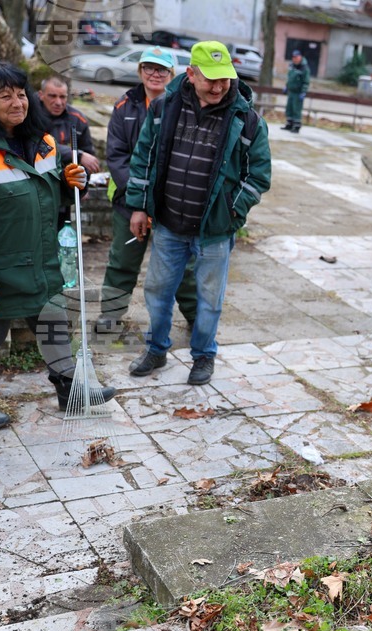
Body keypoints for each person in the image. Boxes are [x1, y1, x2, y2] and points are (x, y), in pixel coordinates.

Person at [0, 62, 115, 430]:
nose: (18, 103)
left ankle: (71, 389)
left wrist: (69, 184)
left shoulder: (42, 143)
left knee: (53, 323)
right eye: (5, 96)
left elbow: (44, 195)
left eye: (21, 94)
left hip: (39, 262)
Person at [126, 41, 271, 386]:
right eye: (211, 79)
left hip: (215, 232)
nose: (219, 86)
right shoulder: (164, 108)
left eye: (225, 79)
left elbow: (258, 176)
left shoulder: (248, 121)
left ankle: (204, 356)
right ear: (191, 74)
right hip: (169, 225)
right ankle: (156, 349)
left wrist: (231, 212)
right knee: (157, 291)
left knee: (210, 300)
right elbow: (144, 157)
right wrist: (139, 205)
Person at [95, 47, 197, 334]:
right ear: (140, 71)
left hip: (172, 202)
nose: (155, 74)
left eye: (162, 69)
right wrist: (139, 200)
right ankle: (111, 315)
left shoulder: (185, 106)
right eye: (149, 68)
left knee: (182, 266)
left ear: (172, 74)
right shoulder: (124, 107)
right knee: (123, 260)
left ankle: (196, 317)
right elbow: (117, 156)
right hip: (129, 201)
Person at [38, 74, 100, 227]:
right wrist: (77, 154)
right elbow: (37, 144)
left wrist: (83, 184)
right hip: (37, 185)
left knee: (61, 231)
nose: (58, 102)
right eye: (52, 96)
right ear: (41, 95)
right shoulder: (29, 115)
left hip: (64, 187)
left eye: (63, 97)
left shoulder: (77, 119)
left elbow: (88, 155)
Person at [282, 50, 309, 133]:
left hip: (298, 92)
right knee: (289, 108)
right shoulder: (292, 66)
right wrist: (286, 86)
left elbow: (306, 81)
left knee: (296, 109)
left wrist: (303, 92)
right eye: (293, 57)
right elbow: (290, 78)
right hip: (291, 91)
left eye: (296, 57)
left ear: (300, 57)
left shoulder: (304, 68)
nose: (295, 59)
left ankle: (296, 126)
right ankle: (289, 124)